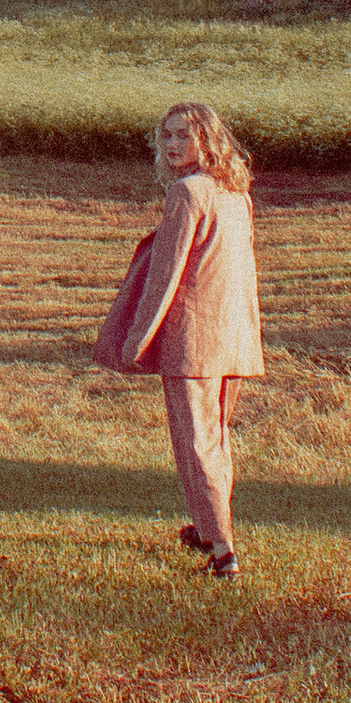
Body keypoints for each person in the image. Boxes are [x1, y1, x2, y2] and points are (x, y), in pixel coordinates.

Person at [122, 100, 263, 581]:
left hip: (193, 341)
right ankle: (209, 529)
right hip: (233, 337)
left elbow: (165, 276)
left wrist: (137, 340)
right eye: (167, 136)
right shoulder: (235, 191)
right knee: (215, 439)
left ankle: (223, 551)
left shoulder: (187, 194)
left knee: (196, 442)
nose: (174, 144)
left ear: (208, 138)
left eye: (184, 135)